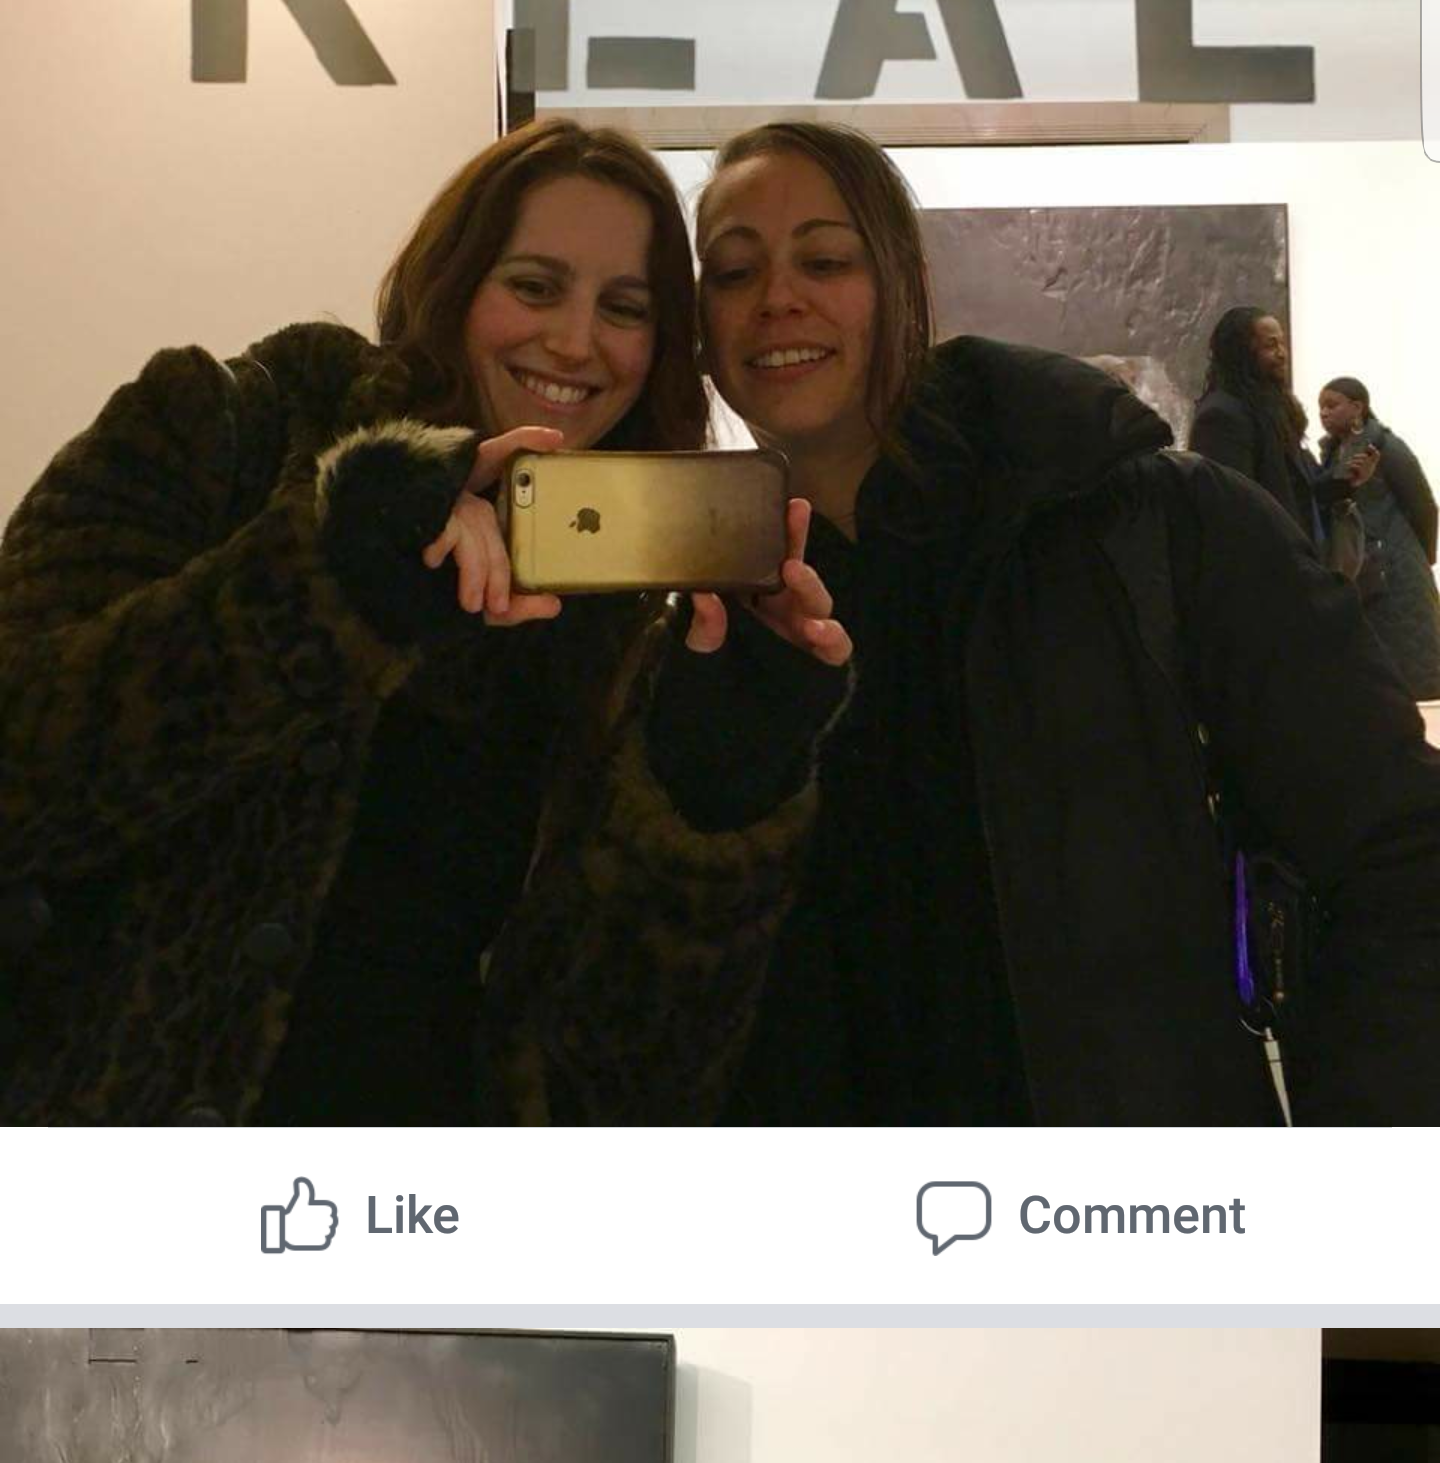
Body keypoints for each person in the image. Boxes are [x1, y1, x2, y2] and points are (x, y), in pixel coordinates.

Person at [515, 121, 1440, 1126]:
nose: (778, 297)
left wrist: (1363, 1164)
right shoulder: (696, 617)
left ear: (903, 284)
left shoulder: (1148, 522)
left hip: (1119, 1198)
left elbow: (1395, 849)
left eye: (826, 260)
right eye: (734, 272)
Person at [0, 115, 844, 1126]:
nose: (575, 341)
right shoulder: (220, 434)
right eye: (533, 286)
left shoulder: (622, 632)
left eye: (625, 308)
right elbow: (25, 770)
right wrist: (334, 576)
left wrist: (721, 780)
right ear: (451, 284)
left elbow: (625, 1076)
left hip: (431, 1209)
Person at [1189, 305, 1374, 551]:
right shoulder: (1222, 416)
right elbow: (1230, 510)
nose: (1282, 354)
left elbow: (1301, 491)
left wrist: (1346, 481)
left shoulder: (1271, 411)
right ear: (1243, 353)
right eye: (1271, 345)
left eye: (1282, 344)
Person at [1319, 377, 1440, 700]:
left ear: (1357, 407)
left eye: (1332, 405)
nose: (1324, 413)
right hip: (1358, 568)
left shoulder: (1386, 447)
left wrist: (1419, 557)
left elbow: (1424, 506)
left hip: (1395, 569)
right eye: (1321, 408)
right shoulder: (1331, 454)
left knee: (1407, 666)